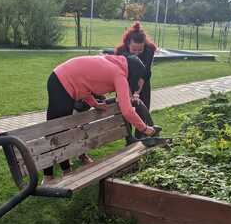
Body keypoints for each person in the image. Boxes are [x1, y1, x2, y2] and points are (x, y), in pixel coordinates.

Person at [43, 54, 157, 183]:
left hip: (59, 78)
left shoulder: (114, 63)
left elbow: (83, 82)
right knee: (56, 130)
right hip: (62, 82)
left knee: (57, 130)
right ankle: (53, 175)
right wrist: (145, 128)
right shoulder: (119, 75)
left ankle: (61, 171)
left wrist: (95, 104)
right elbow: (127, 111)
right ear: (134, 73)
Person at [115, 22, 157, 131]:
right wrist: (129, 92)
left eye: (140, 50)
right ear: (128, 44)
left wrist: (137, 92)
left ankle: (142, 135)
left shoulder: (149, 50)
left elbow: (145, 73)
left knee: (143, 110)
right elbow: (120, 74)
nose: (137, 53)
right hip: (125, 82)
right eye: (134, 50)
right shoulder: (120, 51)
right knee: (124, 109)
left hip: (143, 82)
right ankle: (128, 137)